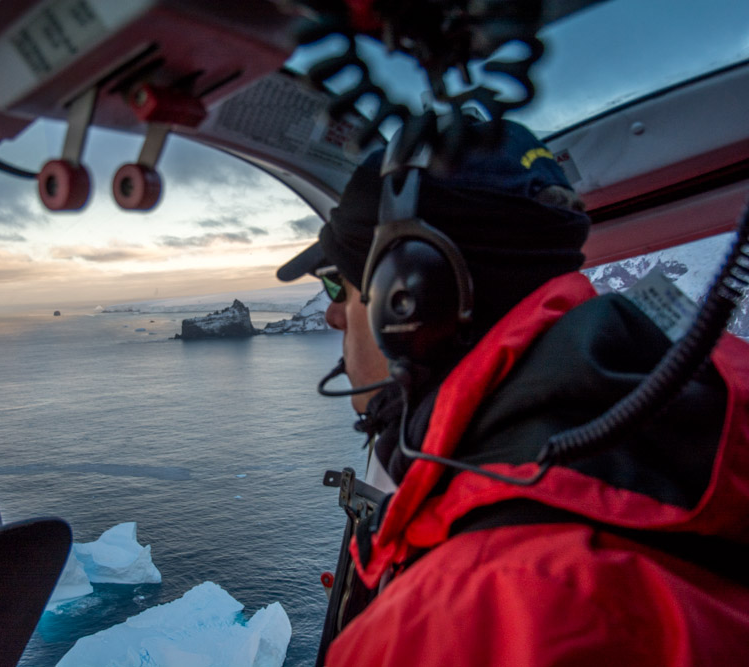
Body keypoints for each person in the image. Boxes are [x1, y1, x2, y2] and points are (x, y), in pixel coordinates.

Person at [278, 120, 749, 666]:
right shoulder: (679, 422)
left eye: (339, 281)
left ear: (409, 300)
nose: (333, 312)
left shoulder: (466, 617)